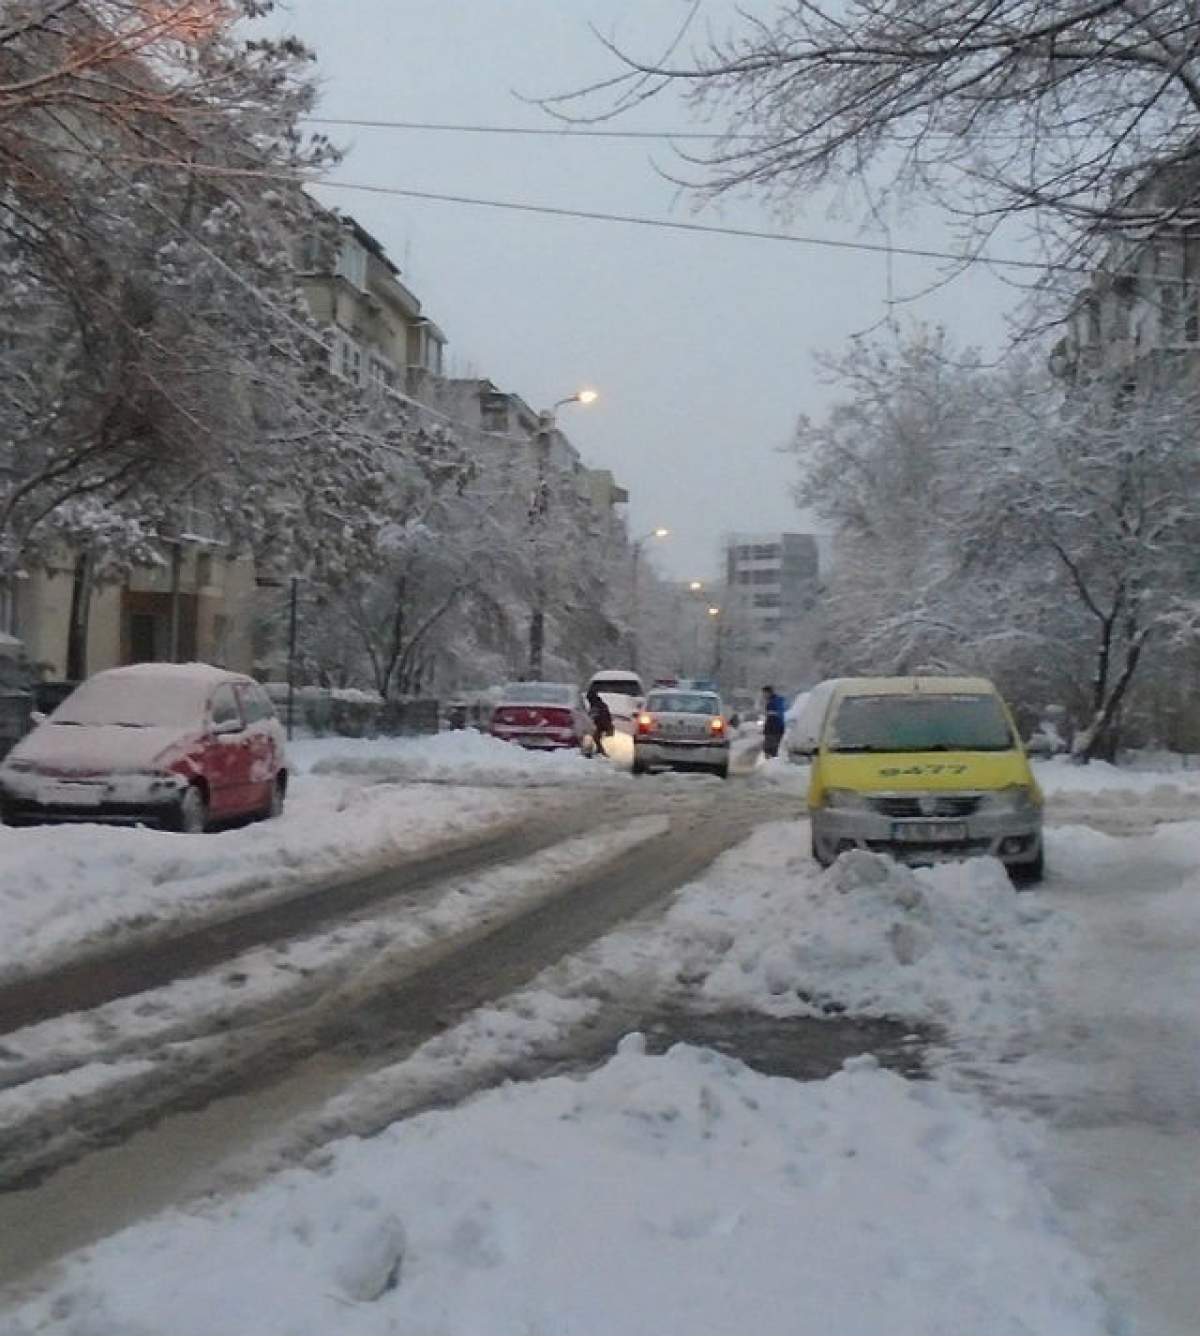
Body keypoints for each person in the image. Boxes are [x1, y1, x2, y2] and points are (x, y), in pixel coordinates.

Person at [586, 686, 614, 758]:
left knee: (595, 737)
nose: (588, 700)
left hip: (602, 724)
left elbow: (593, 715)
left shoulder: (596, 704)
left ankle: (601, 752)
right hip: (604, 724)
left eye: (589, 699)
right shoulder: (600, 703)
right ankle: (599, 751)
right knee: (596, 738)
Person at [762, 684, 786, 759]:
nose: (763, 695)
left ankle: (772, 764)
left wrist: (768, 729)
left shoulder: (774, 701)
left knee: (770, 749)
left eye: (765, 693)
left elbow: (776, 715)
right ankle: (771, 763)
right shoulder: (774, 701)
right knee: (771, 749)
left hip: (774, 728)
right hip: (775, 728)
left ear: (769, 692)